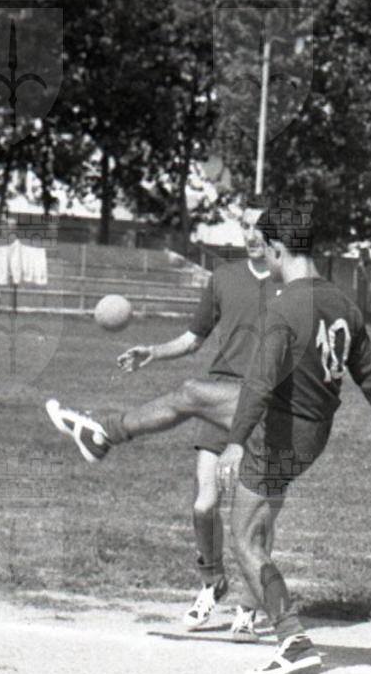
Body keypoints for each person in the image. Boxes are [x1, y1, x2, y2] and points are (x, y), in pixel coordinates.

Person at [42, 219, 280, 633]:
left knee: (254, 514)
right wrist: (154, 351)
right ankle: (211, 582)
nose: (251, 234)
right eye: (245, 225)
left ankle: (249, 604)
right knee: (204, 505)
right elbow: (193, 338)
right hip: (216, 395)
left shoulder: (290, 283)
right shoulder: (224, 278)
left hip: (263, 402)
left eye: (260, 226)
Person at [221, 206, 371, 674]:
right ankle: (281, 628)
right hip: (315, 434)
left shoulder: (284, 306)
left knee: (244, 539)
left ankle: (292, 640)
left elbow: (259, 383)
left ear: (277, 249)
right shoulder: (343, 303)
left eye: (264, 247)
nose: (262, 255)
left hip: (280, 434)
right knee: (258, 531)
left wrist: (235, 441)